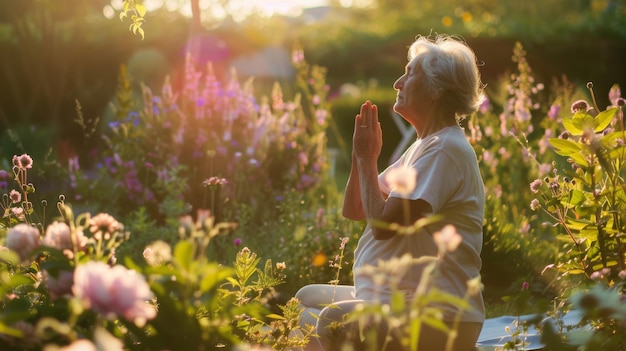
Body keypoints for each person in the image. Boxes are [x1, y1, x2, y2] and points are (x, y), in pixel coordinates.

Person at [295, 33, 486, 351]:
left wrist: (369, 159)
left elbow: (383, 226)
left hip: (441, 313)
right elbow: (357, 209)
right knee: (304, 299)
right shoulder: (424, 146)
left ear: (436, 89)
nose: (398, 82)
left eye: (410, 73)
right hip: (394, 296)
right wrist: (360, 157)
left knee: (333, 318)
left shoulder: (445, 149)